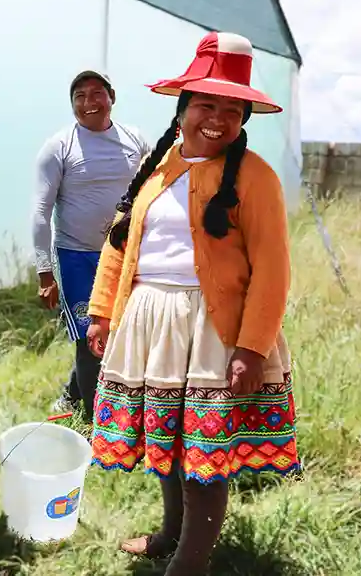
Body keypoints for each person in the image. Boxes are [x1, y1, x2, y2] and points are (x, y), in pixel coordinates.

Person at [86, 32, 301, 576]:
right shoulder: (157, 170)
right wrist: (103, 313)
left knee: (203, 454)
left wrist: (250, 347)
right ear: (182, 108)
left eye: (233, 109)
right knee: (166, 438)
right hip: (150, 323)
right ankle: (170, 534)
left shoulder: (257, 178)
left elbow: (273, 270)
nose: (219, 118)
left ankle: (191, 563)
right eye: (207, 103)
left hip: (213, 328)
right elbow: (121, 246)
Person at [32, 70, 151, 416]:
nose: (88, 103)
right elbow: (41, 212)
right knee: (91, 339)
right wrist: (45, 273)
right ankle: (95, 419)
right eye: (79, 96)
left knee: (123, 333)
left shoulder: (135, 140)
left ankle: (72, 395)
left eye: (96, 93)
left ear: (111, 96)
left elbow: (152, 192)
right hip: (76, 258)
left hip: (125, 255)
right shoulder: (58, 147)